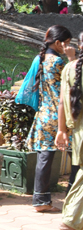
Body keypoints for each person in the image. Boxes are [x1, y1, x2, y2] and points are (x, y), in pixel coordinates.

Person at [27, 24, 74, 213]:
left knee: (44, 159)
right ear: (57, 43)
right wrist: (72, 58)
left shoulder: (41, 59)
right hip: (61, 117)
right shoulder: (59, 62)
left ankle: (40, 201)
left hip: (44, 115)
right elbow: (74, 80)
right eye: (67, 43)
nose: (68, 46)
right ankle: (73, 201)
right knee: (77, 159)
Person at [56, 33, 83, 230]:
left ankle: (72, 219)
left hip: (78, 132)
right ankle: (72, 220)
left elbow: (62, 102)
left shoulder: (69, 68)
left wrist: (61, 130)